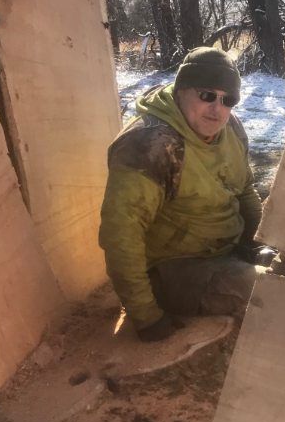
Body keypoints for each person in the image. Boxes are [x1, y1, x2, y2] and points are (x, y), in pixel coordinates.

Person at [99, 47, 263, 342]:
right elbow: (121, 235)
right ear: (180, 90)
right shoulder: (150, 146)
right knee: (269, 298)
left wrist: (257, 241)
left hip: (226, 248)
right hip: (176, 268)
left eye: (228, 100)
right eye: (206, 95)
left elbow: (245, 189)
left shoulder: (230, 127)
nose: (217, 108)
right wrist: (146, 315)